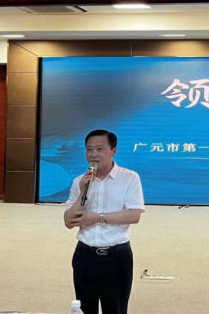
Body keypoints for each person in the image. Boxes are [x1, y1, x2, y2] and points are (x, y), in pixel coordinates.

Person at [64, 129, 145, 314]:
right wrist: (83, 191)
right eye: (89, 149)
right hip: (85, 256)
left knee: (115, 309)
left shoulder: (129, 178)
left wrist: (97, 217)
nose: (93, 154)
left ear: (113, 151)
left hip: (116, 256)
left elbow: (134, 215)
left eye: (99, 149)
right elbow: (68, 222)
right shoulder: (79, 181)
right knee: (85, 309)